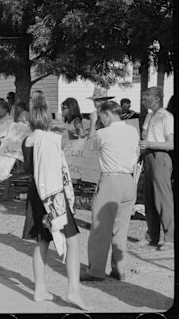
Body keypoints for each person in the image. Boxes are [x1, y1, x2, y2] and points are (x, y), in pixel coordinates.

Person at [21, 90, 87, 310]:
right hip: (53, 194)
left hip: (35, 194)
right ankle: (73, 290)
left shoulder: (27, 141)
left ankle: (40, 289)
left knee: (42, 241)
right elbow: (59, 170)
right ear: (48, 119)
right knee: (72, 240)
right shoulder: (52, 139)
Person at [80, 101, 139, 282]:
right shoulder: (132, 130)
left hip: (110, 180)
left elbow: (88, 146)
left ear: (106, 114)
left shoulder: (103, 133)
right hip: (129, 180)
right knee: (120, 228)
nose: (101, 121)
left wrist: (92, 123)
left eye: (101, 117)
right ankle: (119, 269)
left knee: (101, 227)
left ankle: (96, 270)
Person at [139, 86, 174, 251]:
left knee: (163, 199)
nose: (143, 101)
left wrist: (150, 144)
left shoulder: (166, 117)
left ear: (157, 99)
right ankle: (152, 236)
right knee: (149, 199)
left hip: (160, 157)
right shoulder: (149, 116)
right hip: (147, 157)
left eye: (147, 98)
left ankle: (169, 238)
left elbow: (170, 144)